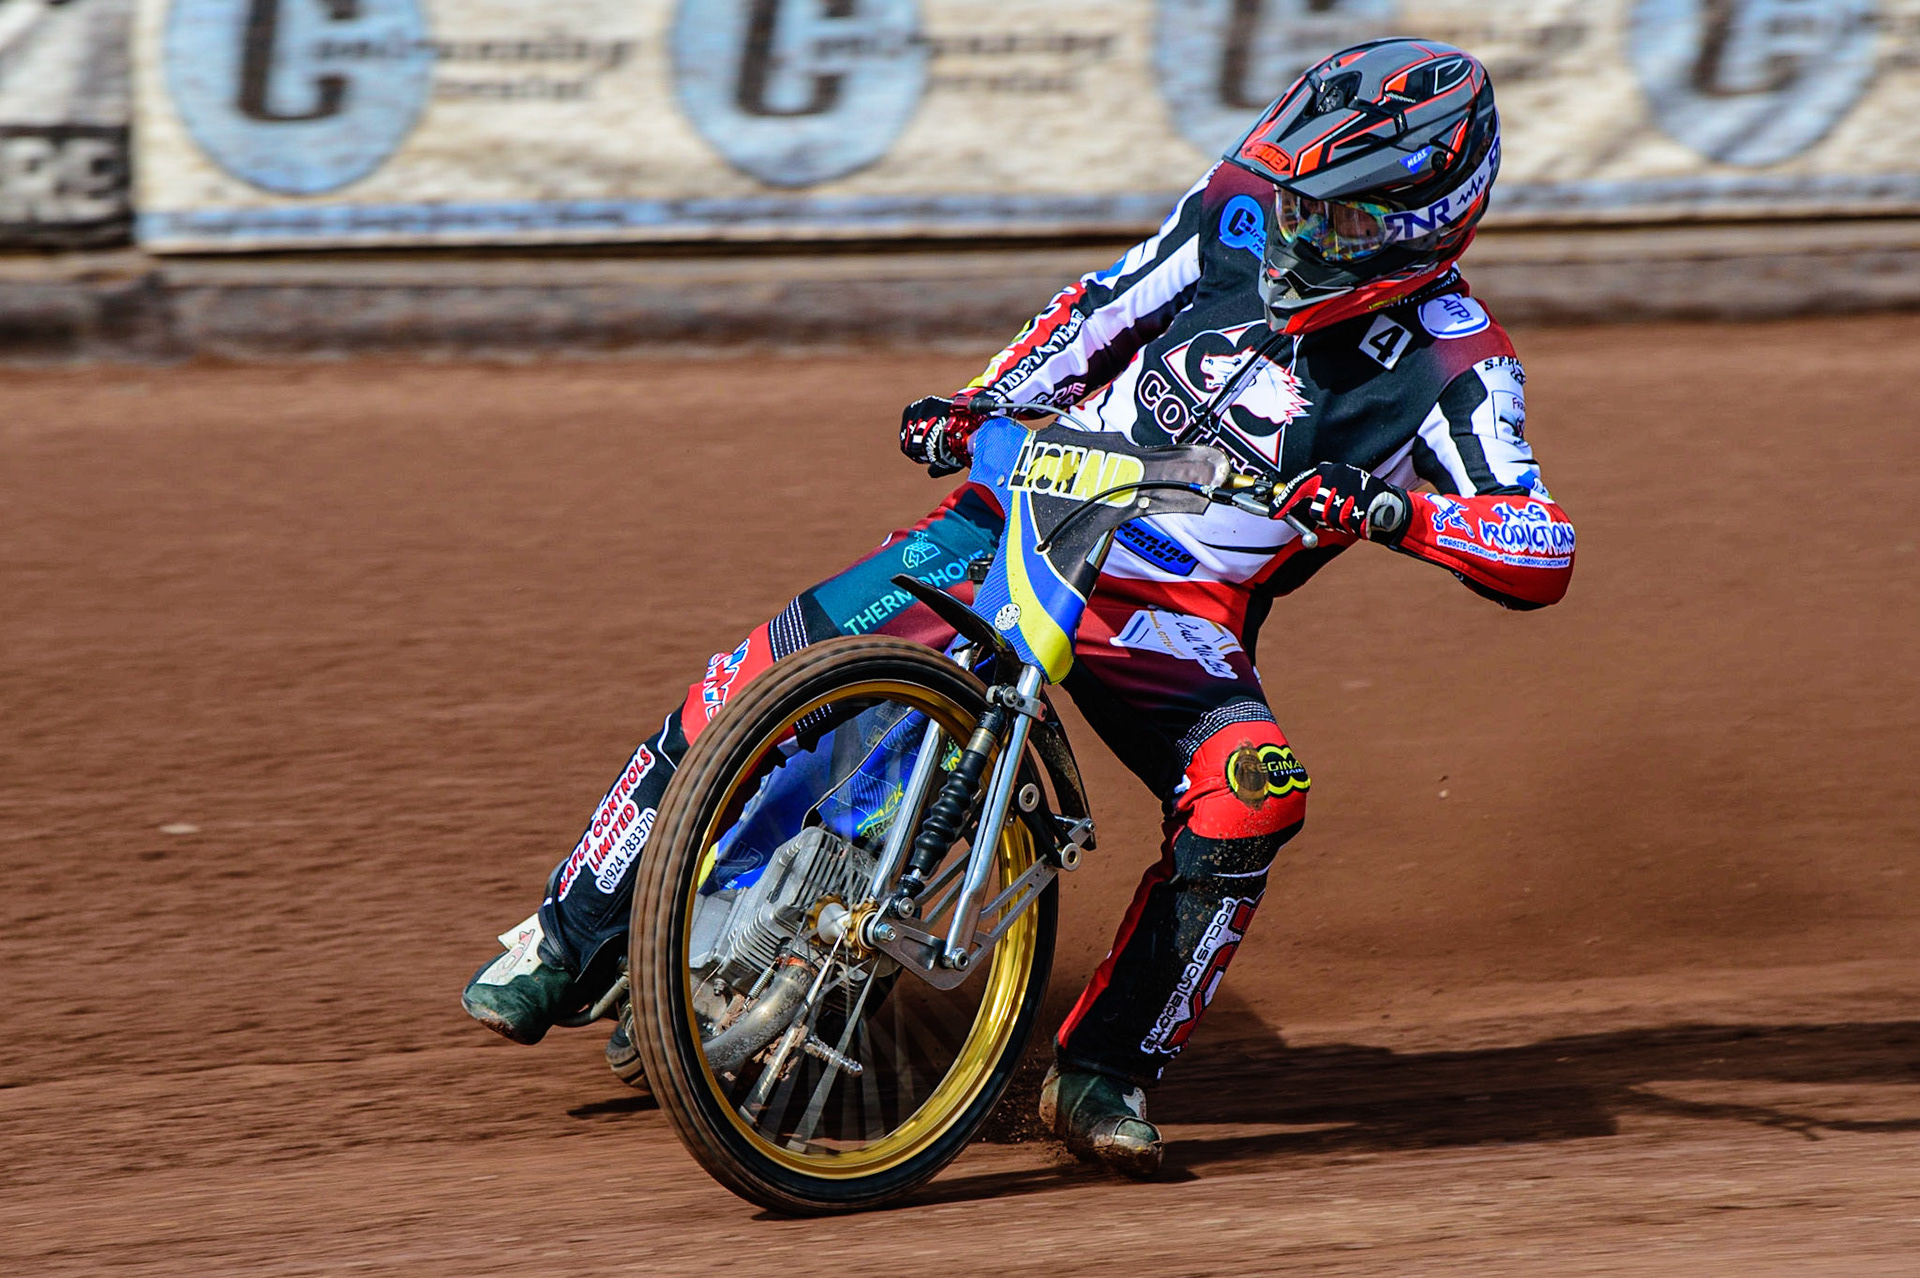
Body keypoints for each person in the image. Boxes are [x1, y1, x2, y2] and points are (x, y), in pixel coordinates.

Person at [462, 38, 1575, 1179]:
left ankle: (1107, 1070)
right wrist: (984, 397)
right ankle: (565, 935)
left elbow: (1537, 544)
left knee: (1252, 789)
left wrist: (1399, 517)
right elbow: (1103, 308)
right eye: (1291, 200)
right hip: (1024, 508)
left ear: (1425, 219)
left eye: (1331, 221)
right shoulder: (1241, 209)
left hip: (1170, 608)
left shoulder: (1461, 365)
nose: (1293, 234)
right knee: (763, 666)